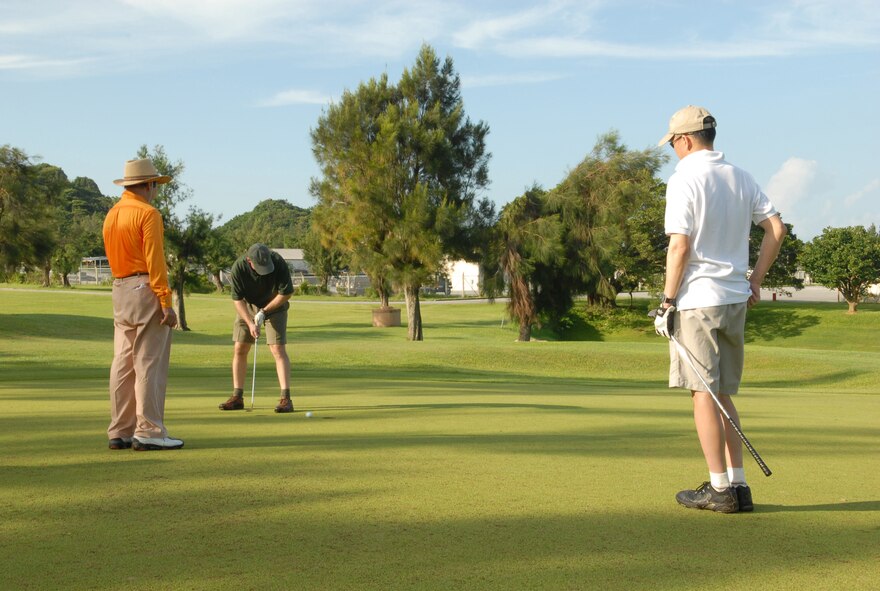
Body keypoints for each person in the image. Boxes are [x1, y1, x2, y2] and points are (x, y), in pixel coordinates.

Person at [653, 106, 786, 513]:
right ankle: (739, 487)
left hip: (697, 300)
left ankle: (718, 488)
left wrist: (666, 302)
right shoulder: (740, 176)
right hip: (733, 299)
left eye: (673, 142)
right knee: (722, 392)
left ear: (685, 140)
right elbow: (776, 228)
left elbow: (680, 245)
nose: (673, 149)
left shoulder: (683, 179)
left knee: (702, 394)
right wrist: (755, 280)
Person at [103, 158, 184, 451]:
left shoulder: (112, 214)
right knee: (148, 361)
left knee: (123, 361)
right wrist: (165, 300)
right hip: (144, 288)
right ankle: (149, 429)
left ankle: (120, 430)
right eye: (155, 186)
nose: (156, 191)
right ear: (148, 185)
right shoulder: (148, 214)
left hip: (119, 288)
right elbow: (155, 261)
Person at [218, 243, 295, 413]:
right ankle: (237, 397)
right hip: (248, 307)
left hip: (276, 306)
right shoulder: (239, 267)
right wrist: (250, 322)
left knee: (277, 349)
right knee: (240, 348)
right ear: (248, 261)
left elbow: (286, 293)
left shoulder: (278, 262)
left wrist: (264, 311)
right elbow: (237, 300)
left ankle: (286, 399)